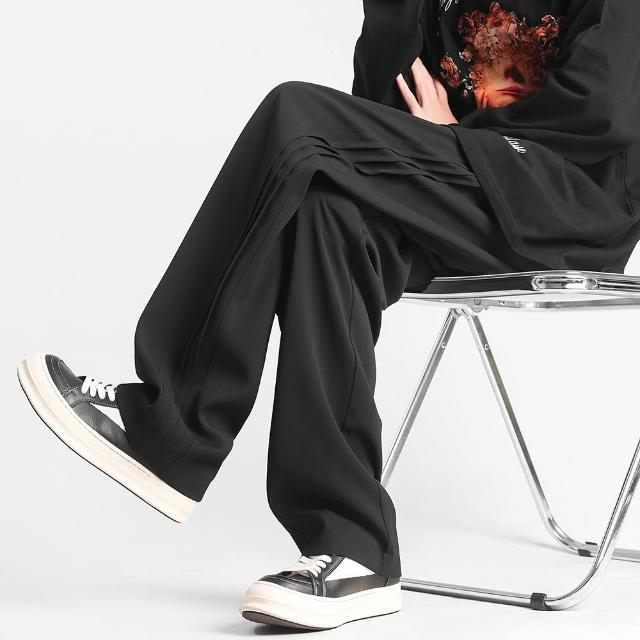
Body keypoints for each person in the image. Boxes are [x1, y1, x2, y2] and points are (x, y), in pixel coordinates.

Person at [16, 0, 640, 632]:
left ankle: (172, 426)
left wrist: (459, 136)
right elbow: (377, 113)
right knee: (327, 211)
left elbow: (604, 106)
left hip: (566, 203)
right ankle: (354, 546)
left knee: (296, 114)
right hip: (462, 191)